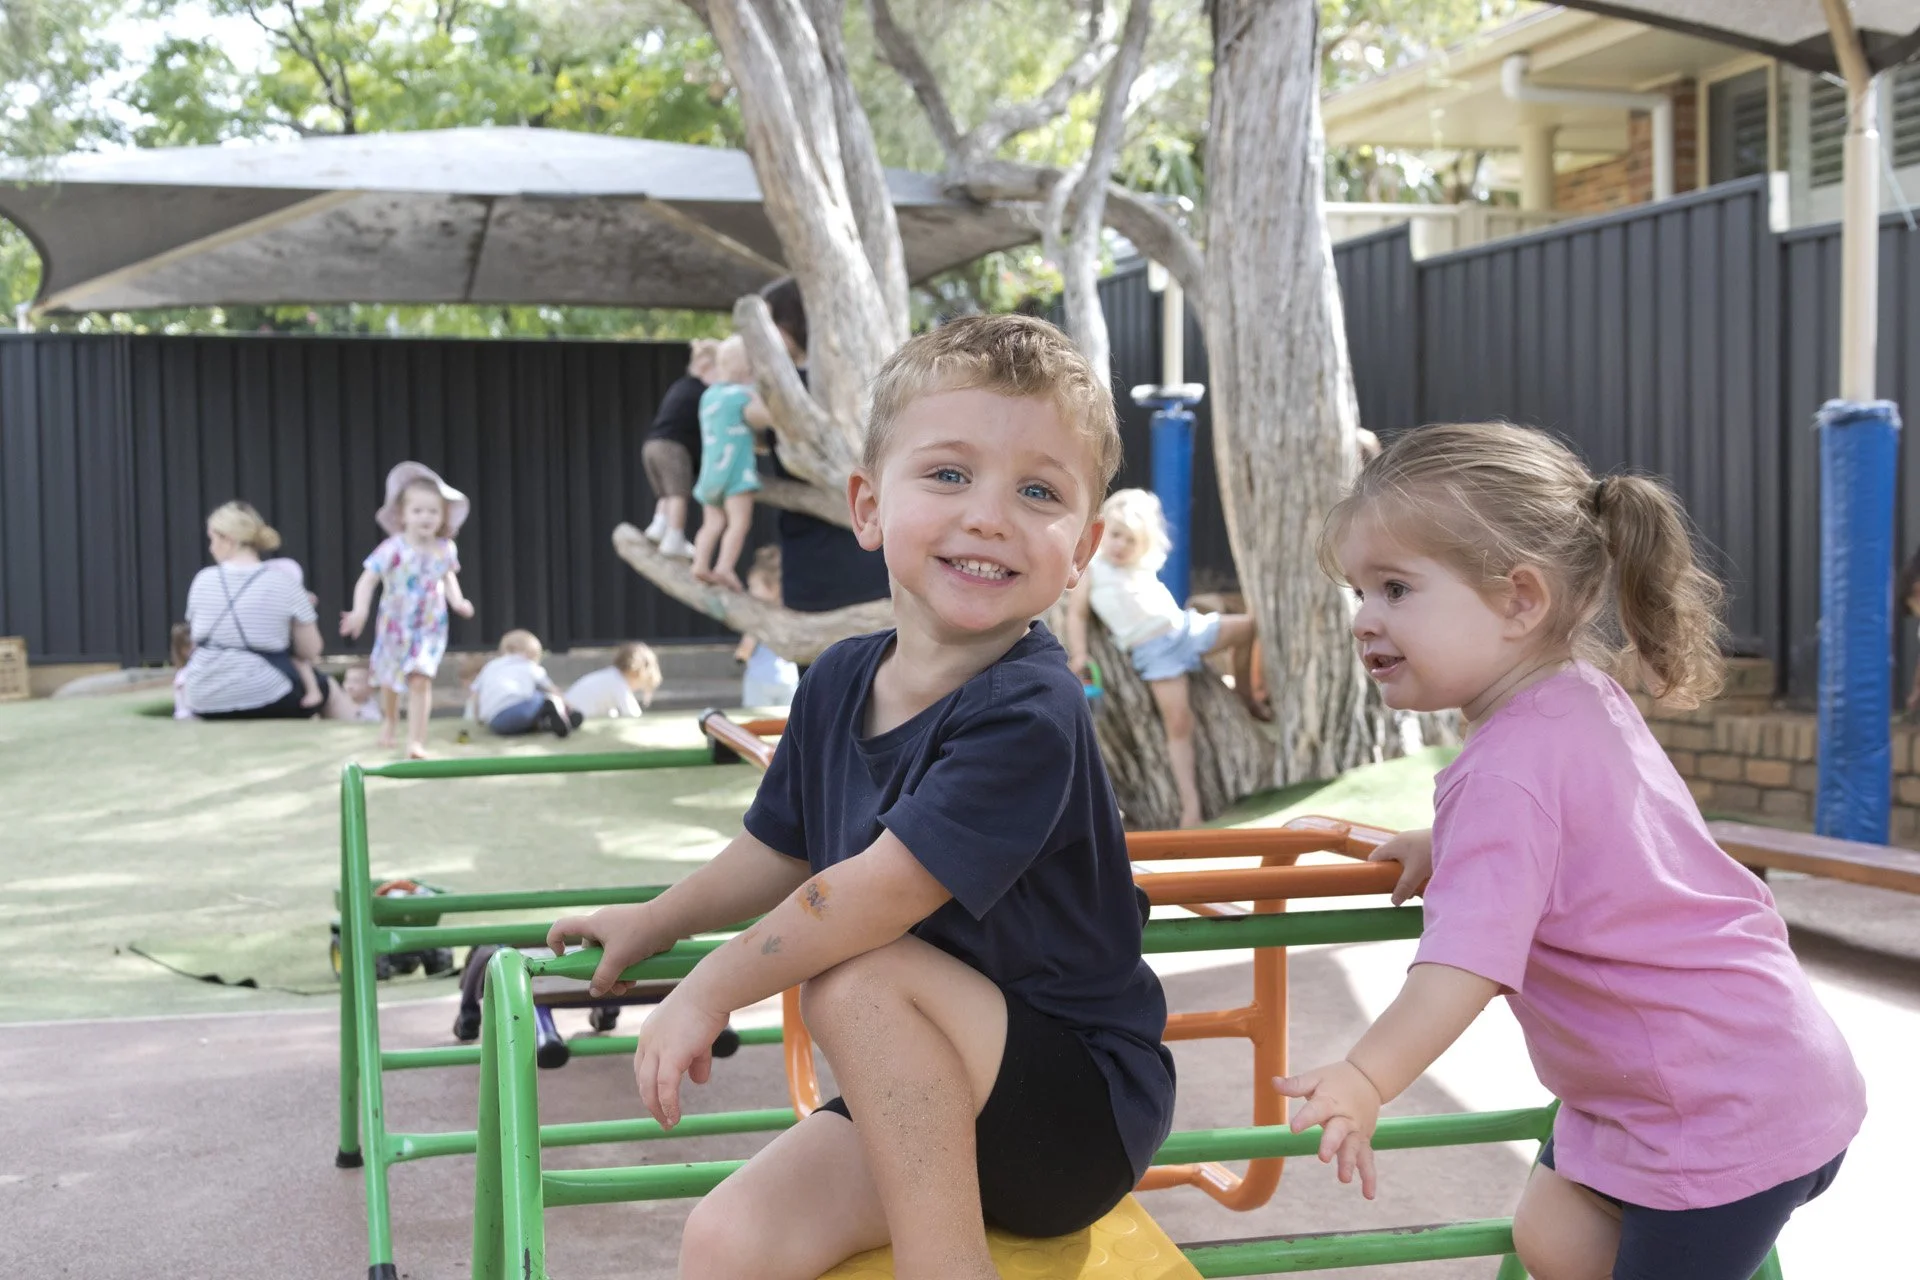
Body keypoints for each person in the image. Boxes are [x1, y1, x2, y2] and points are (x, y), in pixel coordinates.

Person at [546, 315, 1174, 1280]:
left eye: (1038, 491)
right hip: (918, 1086)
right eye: (950, 475)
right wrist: (655, 921)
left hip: (1069, 1108)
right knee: (727, 1239)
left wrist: (709, 990)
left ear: (1082, 545)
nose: (990, 515)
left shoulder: (1029, 712)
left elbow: (866, 899)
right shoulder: (840, 677)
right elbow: (781, 850)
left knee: (856, 969)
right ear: (868, 506)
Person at [1277, 422, 1865, 1280]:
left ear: (1521, 599)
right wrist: (1452, 841)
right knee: (1552, 1236)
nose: (1365, 619)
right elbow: (1592, 830)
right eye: (1360, 591)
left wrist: (1368, 1077)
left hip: (1705, 1112)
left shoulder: (1506, 775)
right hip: (1741, 1069)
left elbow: (1464, 965)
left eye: (1397, 588)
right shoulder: (1579, 695)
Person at [1065, 488, 1271, 827]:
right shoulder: (1095, 570)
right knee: (1179, 725)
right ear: (1102, 533)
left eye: (1130, 540)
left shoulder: (1139, 568)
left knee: (1248, 628)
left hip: (1186, 630)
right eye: (1116, 536)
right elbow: (1078, 616)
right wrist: (1081, 653)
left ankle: (1248, 693)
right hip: (1156, 653)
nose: (1120, 546)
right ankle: (1190, 806)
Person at [757, 278, 891, 635]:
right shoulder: (858, 379)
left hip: (821, 558)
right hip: (857, 549)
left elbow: (749, 413)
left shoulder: (796, 388)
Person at [340, 461, 475, 758]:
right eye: (418, 511)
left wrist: (458, 601)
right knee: (390, 680)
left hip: (429, 626)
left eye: (433, 511)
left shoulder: (445, 549)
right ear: (402, 515)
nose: (425, 517)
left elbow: (447, 575)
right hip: (395, 625)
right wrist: (359, 611)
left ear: (442, 516)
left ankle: (416, 740)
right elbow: (367, 580)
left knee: (419, 679)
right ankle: (390, 719)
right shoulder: (393, 548)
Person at [179, 501, 354, 721]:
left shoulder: (202, 580)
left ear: (228, 539)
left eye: (212, 539)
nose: (210, 547)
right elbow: (311, 650)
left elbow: (197, 638)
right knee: (329, 691)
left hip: (203, 694)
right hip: (267, 691)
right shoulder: (284, 582)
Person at [690, 335, 769, 591]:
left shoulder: (708, 396)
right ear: (748, 369)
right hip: (735, 472)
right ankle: (724, 567)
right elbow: (766, 418)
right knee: (738, 523)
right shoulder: (744, 394)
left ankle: (700, 564)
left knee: (712, 524)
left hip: (710, 473)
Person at [642, 337, 720, 560]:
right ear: (706, 368)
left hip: (652, 445)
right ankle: (674, 537)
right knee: (679, 494)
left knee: (667, 493)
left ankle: (659, 526)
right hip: (672, 448)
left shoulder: (680, 387)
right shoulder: (705, 393)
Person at [466, 630, 583, 737]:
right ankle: (562, 713)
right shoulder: (529, 666)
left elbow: (475, 694)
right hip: (523, 708)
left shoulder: (489, 667)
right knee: (544, 697)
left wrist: (478, 718)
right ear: (529, 654)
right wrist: (570, 707)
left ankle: (544, 723)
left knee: (525, 723)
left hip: (497, 722)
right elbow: (552, 689)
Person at [734, 545, 800, 708]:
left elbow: (745, 650)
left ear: (773, 587)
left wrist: (740, 655)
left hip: (760, 681)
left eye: (754, 587)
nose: (750, 592)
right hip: (789, 679)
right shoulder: (792, 614)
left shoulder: (758, 619)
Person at [564, 642, 663, 720]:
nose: (637, 689)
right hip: (575, 718)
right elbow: (633, 716)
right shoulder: (618, 682)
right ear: (637, 672)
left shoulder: (608, 677)